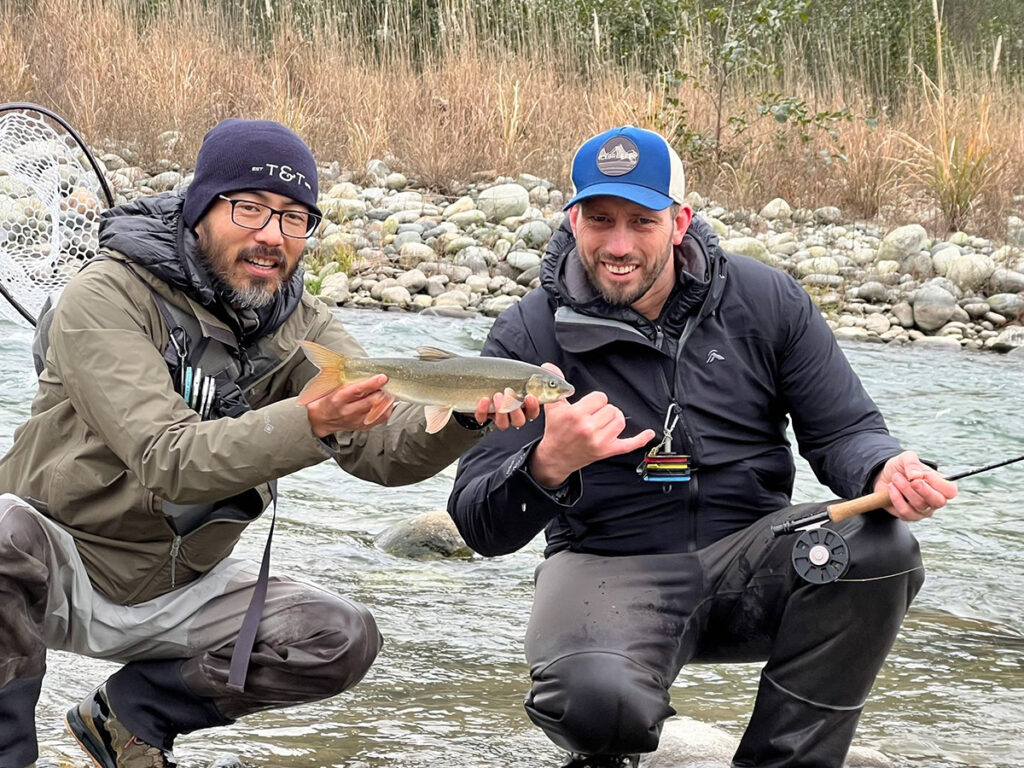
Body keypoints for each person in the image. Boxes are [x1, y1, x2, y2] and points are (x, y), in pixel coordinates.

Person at [0, 118, 536, 768]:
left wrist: (463, 416)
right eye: (248, 208)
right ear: (200, 209)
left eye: (293, 218)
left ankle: (124, 723)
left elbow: (385, 452)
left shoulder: (301, 326)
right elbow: (167, 460)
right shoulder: (108, 294)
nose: (271, 236)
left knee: (337, 637)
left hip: (179, 586)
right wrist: (310, 422)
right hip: (50, 566)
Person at [448, 125, 959, 768]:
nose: (618, 244)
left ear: (681, 221)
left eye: (643, 221)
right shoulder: (527, 333)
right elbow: (478, 523)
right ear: (572, 218)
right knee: (593, 702)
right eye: (600, 220)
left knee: (880, 544)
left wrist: (890, 467)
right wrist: (548, 464)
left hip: (756, 559)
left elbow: (844, 432)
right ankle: (612, 740)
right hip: (607, 567)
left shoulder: (766, 300)